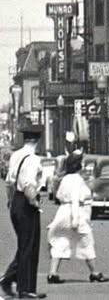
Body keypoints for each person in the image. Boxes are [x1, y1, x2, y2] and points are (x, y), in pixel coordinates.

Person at [46, 150, 109, 284]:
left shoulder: (65, 179)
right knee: (87, 240)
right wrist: (75, 219)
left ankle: (53, 273)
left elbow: (58, 195)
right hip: (76, 212)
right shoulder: (77, 180)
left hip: (63, 211)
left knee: (60, 240)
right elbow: (75, 199)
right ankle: (94, 272)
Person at [0, 123, 46, 299]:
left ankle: (12, 280)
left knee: (25, 245)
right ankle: (25, 289)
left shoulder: (15, 155)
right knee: (29, 247)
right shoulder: (33, 159)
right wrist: (35, 203)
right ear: (38, 141)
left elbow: (9, 182)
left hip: (16, 201)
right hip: (27, 204)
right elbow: (29, 185)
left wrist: (11, 201)